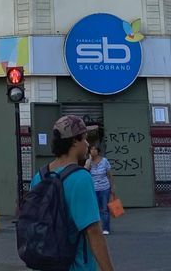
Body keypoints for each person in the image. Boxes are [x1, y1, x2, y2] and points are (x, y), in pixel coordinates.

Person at [28, 115, 116, 271]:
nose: (88, 144)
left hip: (46, 263)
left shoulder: (39, 177)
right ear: (75, 141)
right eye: (85, 139)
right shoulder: (81, 178)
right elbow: (93, 231)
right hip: (76, 265)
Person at [87, 144, 117, 235]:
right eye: (91, 150)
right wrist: (89, 159)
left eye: (95, 149)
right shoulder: (89, 162)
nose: (93, 151)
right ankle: (97, 228)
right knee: (95, 209)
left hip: (104, 188)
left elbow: (109, 174)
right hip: (94, 188)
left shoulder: (104, 161)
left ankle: (106, 228)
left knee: (104, 209)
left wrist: (112, 187)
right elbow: (86, 171)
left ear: (98, 151)